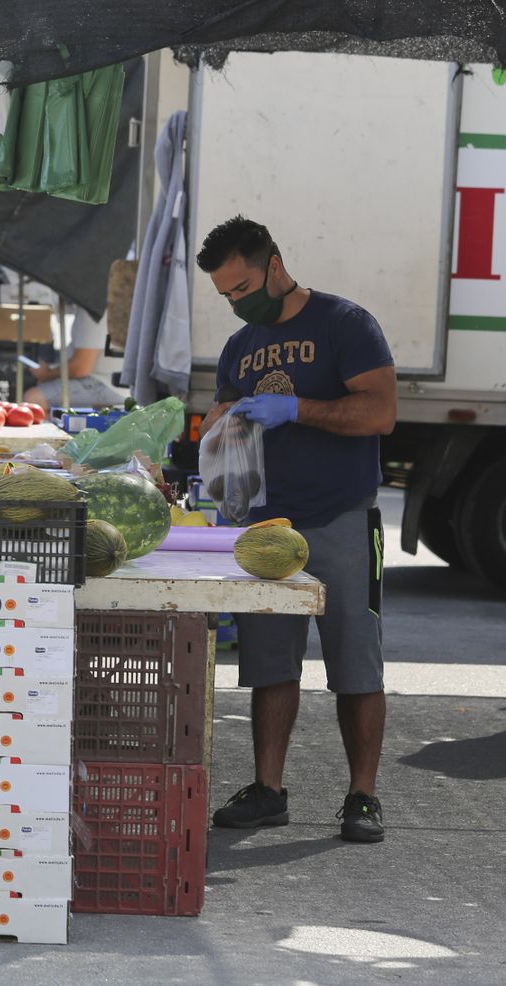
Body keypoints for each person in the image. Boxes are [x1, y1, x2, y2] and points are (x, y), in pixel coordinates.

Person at [197, 216, 397, 844]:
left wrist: (297, 409)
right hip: (267, 526)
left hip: (342, 515)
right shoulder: (240, 347)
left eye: (243, 287)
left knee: (356, 665)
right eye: (226, 295)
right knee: (269, 666)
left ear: (275, 265)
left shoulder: (346, 325)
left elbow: (380, 412)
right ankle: (268, 790)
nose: (237, 302)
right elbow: (224, 420)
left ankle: (362, 796)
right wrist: (215, 434)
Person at [25, 303, 126, 413]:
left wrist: (47, 374)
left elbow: (81, 368)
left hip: (107, 384)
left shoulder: (92, 310)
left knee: (34, 398)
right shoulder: (114, 304)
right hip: (119, 383)